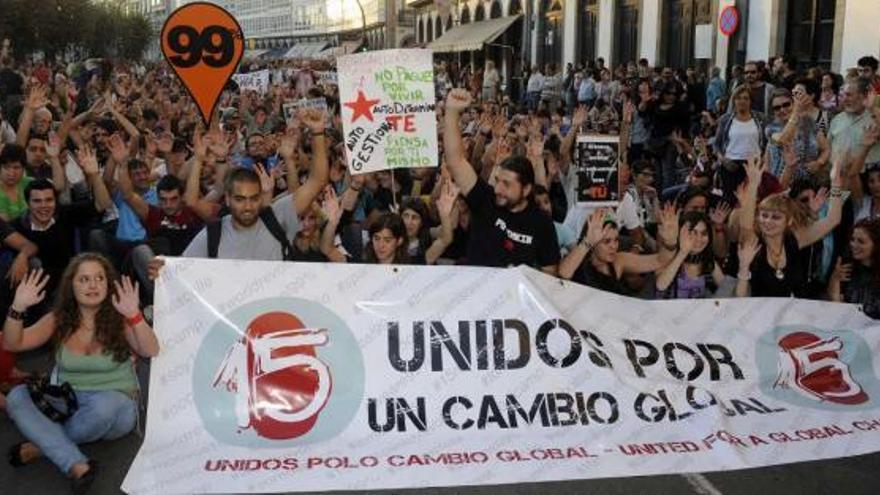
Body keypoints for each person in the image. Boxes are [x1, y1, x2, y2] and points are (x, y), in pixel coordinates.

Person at [3, 253, 159, 493]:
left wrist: (134, 315)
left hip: (116, 406)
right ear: (71, 286)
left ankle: (41, 445)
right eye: (84, 279)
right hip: (68, 399)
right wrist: (18, 307)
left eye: (99, 278)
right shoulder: (57, 319)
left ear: (108, 284)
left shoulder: (120, 316)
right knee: (16, 397)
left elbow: (151, 350)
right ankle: (76, 464)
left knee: (103, 407)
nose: (93, 284)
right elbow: (13, 344)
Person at [443, 89, 560, 274]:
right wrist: (451, 111)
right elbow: (455, 160)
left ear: (527, 189)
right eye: (498, 180)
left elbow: (550, 275)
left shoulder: (542, 224)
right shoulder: (485, 199)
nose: (497, 188)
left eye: (507, 184)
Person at [736, 157, 844, 298]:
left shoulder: (795, 239)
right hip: (763, 316)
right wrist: (753, 185)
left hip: (794, 314)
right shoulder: (753, 243)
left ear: (789, 221)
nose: (767, 221)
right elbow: (745, 225)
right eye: (764, 215)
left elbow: (833, 220)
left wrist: (836, 183)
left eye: (776, 217)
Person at [558, 209, 672, 296]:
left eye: (616, 240)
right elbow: (563, 273)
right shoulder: (578, 259)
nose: (614, 246)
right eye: (606, 241)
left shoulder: (618, 260)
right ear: (593, 241)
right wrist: (588, 241)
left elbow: (660, 260)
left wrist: (670, 241)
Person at [655, 211, 725, 299]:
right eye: (693, 233)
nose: (699, 239)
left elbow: (726, 289)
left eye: (704, 233)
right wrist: (682, 253)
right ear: (680, 234)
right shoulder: (668, 253)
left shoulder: (709, 261)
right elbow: (660, 286)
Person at [828, 218, 880, 319]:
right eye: (852, 239)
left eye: (861, 242)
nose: (853, 245)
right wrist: (835, 280)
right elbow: (836, 307)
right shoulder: (846, 269)